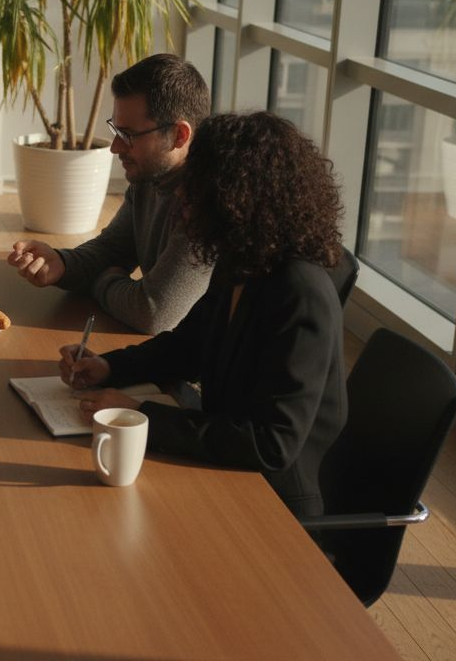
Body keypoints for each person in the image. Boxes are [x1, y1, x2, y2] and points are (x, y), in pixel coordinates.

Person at [58, 111, 347, 519]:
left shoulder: (300, 293)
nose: (181, 196)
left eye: (196, 188)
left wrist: (141, 414)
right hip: (222, 464)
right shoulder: (242, 260)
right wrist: (108, 367)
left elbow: (271, 444)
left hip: (276, 505)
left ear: (238, 199)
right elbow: (189, 345)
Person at [8, 54, 213, 334]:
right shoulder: (150, 177)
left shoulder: (209, 200)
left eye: (128, 134)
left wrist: (102, 280)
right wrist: (62, 264)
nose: (115, 147)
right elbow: (112, 249)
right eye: (116, 130)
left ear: (179, 135)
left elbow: (152, 313)